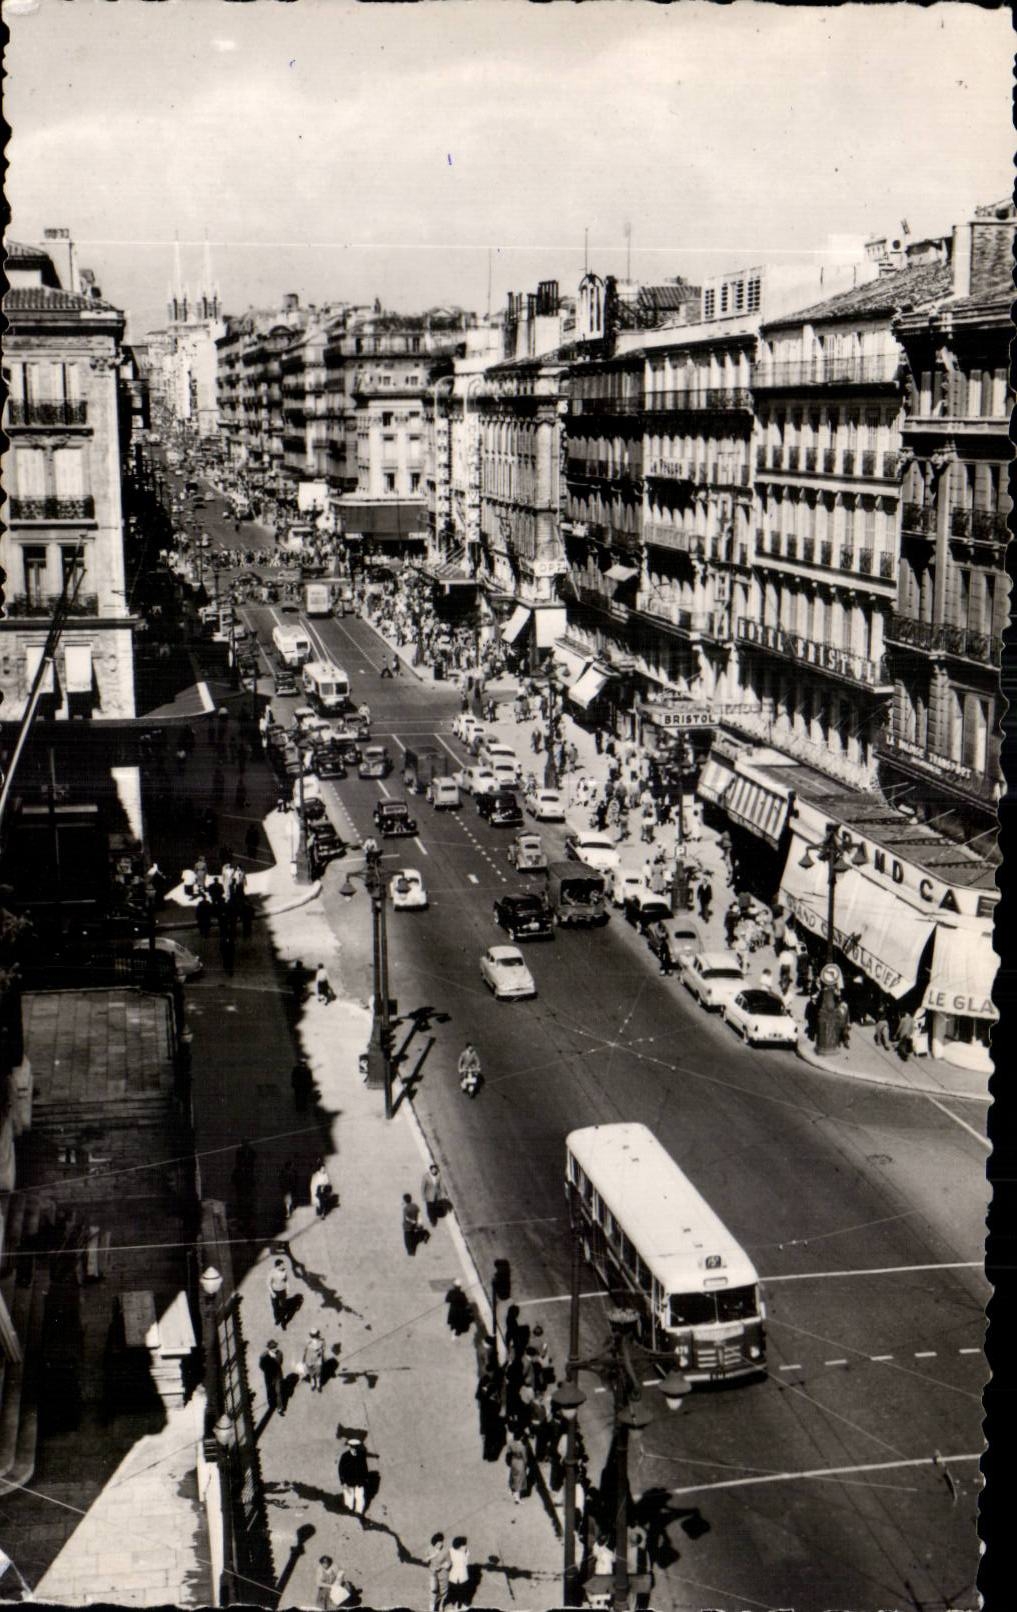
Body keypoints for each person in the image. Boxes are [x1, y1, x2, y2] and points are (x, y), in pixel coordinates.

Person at [337, 1436, 368, 1514]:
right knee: (349, 1497)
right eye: (352, 1447)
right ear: (350, 1447)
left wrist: (364, 1480)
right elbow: (341, 1470)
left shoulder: (360, 1455)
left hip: (359, 1482)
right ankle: (349, 1510)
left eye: (355, 1447)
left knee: (359, 1497)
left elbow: (364, 1468)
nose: (354, 1449)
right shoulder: (345, 1456)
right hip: (349, 1482)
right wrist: (343, 1482)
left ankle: (358, 1512)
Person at [259, 1339, 286, 1418]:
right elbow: (261, 1366)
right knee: (270, 1391)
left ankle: (280, 1408)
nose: (275, 1349)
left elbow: (280, 1362)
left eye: (275, 1347)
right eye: (273, 1348)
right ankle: (271, 1405)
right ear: (269, 1348)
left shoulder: (279, 1353)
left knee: (278, 1391)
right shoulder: (264, 1356)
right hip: (269, 1377)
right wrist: (268, 1370)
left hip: (277, 1376)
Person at [426, 1533, 452, 1612]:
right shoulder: (429, 1549)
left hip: (443, 1574)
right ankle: (432, 1608)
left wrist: (442, 1566)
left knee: (443, 1592)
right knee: (433, 1590)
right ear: (435, 1543)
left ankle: (441, 1606)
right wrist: (433, 1555)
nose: (441, 1544)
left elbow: (449, 1563)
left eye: (441, 1542)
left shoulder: (446, 1551)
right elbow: (426, 1560)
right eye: (439, 1542)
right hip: (433, 1574)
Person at [267, 1257, 290, 1328]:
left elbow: (286, 1281)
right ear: (278, 1266)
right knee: (275, 1307)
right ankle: (277, 1319)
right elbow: (268, 1283)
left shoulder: (284, 1272)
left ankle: (283, 1322)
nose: (284, 1266)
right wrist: (272, 1293)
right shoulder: (272, 1273)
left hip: (282, 1291)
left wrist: (288, 1290)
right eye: (282, 1265)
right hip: (275, 1292)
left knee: (283, 1307)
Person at [447, 1537, 470, 1608]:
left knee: (458, 1592)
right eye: (464, 1545)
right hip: (458, 1575)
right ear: (460, 1546)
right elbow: (465, 1563)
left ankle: (458, 1605)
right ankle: (457, 1605)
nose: (466, 1546)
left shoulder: (452, 1550)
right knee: (458, 1592)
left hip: (458, 1575)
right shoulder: (463, 1553)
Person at [506, 1435, 528, 1504]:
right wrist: (526, 1465)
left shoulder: (511, 1444)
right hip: (520, 1462)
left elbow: (508, 1452)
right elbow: (525, 1458)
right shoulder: (522, 1447)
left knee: (513, 1476)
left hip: (513, 1461)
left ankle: (512, 1490)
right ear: (521, 1437)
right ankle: (517, 1498)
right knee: (519, 1479)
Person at [302, 1327, 325, 1393]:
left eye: (315, 1335)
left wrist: (320, 1352)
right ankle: (313, 1384)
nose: (314, 1337)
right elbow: (305, 1351)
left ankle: (318, 1385)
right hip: (310, 1360)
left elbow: (323, 1349)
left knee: (318, 1374)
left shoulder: (321, 1341)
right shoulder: (308, 1342)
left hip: (318, 1360)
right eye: (313, 1335)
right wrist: (303, 1359)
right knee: (311, 1373)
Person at [422, 1163, 445, 1227]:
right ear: (431, 1170)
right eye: (433, 1170)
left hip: (436, 1195)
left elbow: (441, 1185)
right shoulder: (426, 1176)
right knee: (430, 1209)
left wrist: (443, 1193)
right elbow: (423, 1187)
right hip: (429, 1196)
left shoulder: (439, 1176)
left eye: (436, 1170)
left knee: (435, 1207)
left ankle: (434, 1217)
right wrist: (423, 1195)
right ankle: (433, 1221)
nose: (435, 1171)